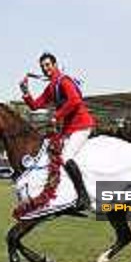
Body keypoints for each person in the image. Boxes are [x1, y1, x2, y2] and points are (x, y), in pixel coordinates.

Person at [20, 52, 96, 211]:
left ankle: (84, 197)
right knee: (54, 156)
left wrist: (57, 115)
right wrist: (26, 92)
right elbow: (35, 106)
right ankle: (68, 196)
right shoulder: (51, 87)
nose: (45, 68)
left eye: (47, 65)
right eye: (42, 67)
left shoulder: (64, 80)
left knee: (66, 156)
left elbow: (75, 100)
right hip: (69, 129)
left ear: (54, 65)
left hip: (82, 125)